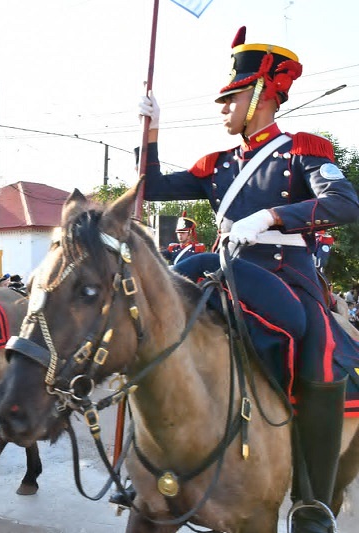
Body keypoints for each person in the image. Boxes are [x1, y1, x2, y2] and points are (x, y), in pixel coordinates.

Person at [138, 27, 359, 532]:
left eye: (230, 97)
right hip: (221, 269)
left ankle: (311, 500)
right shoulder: (218, 165)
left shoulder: (303, 148)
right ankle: (152, 468)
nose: (222, 108)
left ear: (260, 95)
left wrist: (275, 218)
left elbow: (345, 203)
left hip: (284, 275)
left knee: (319, 352)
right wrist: (150, 131)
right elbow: (150, 187)